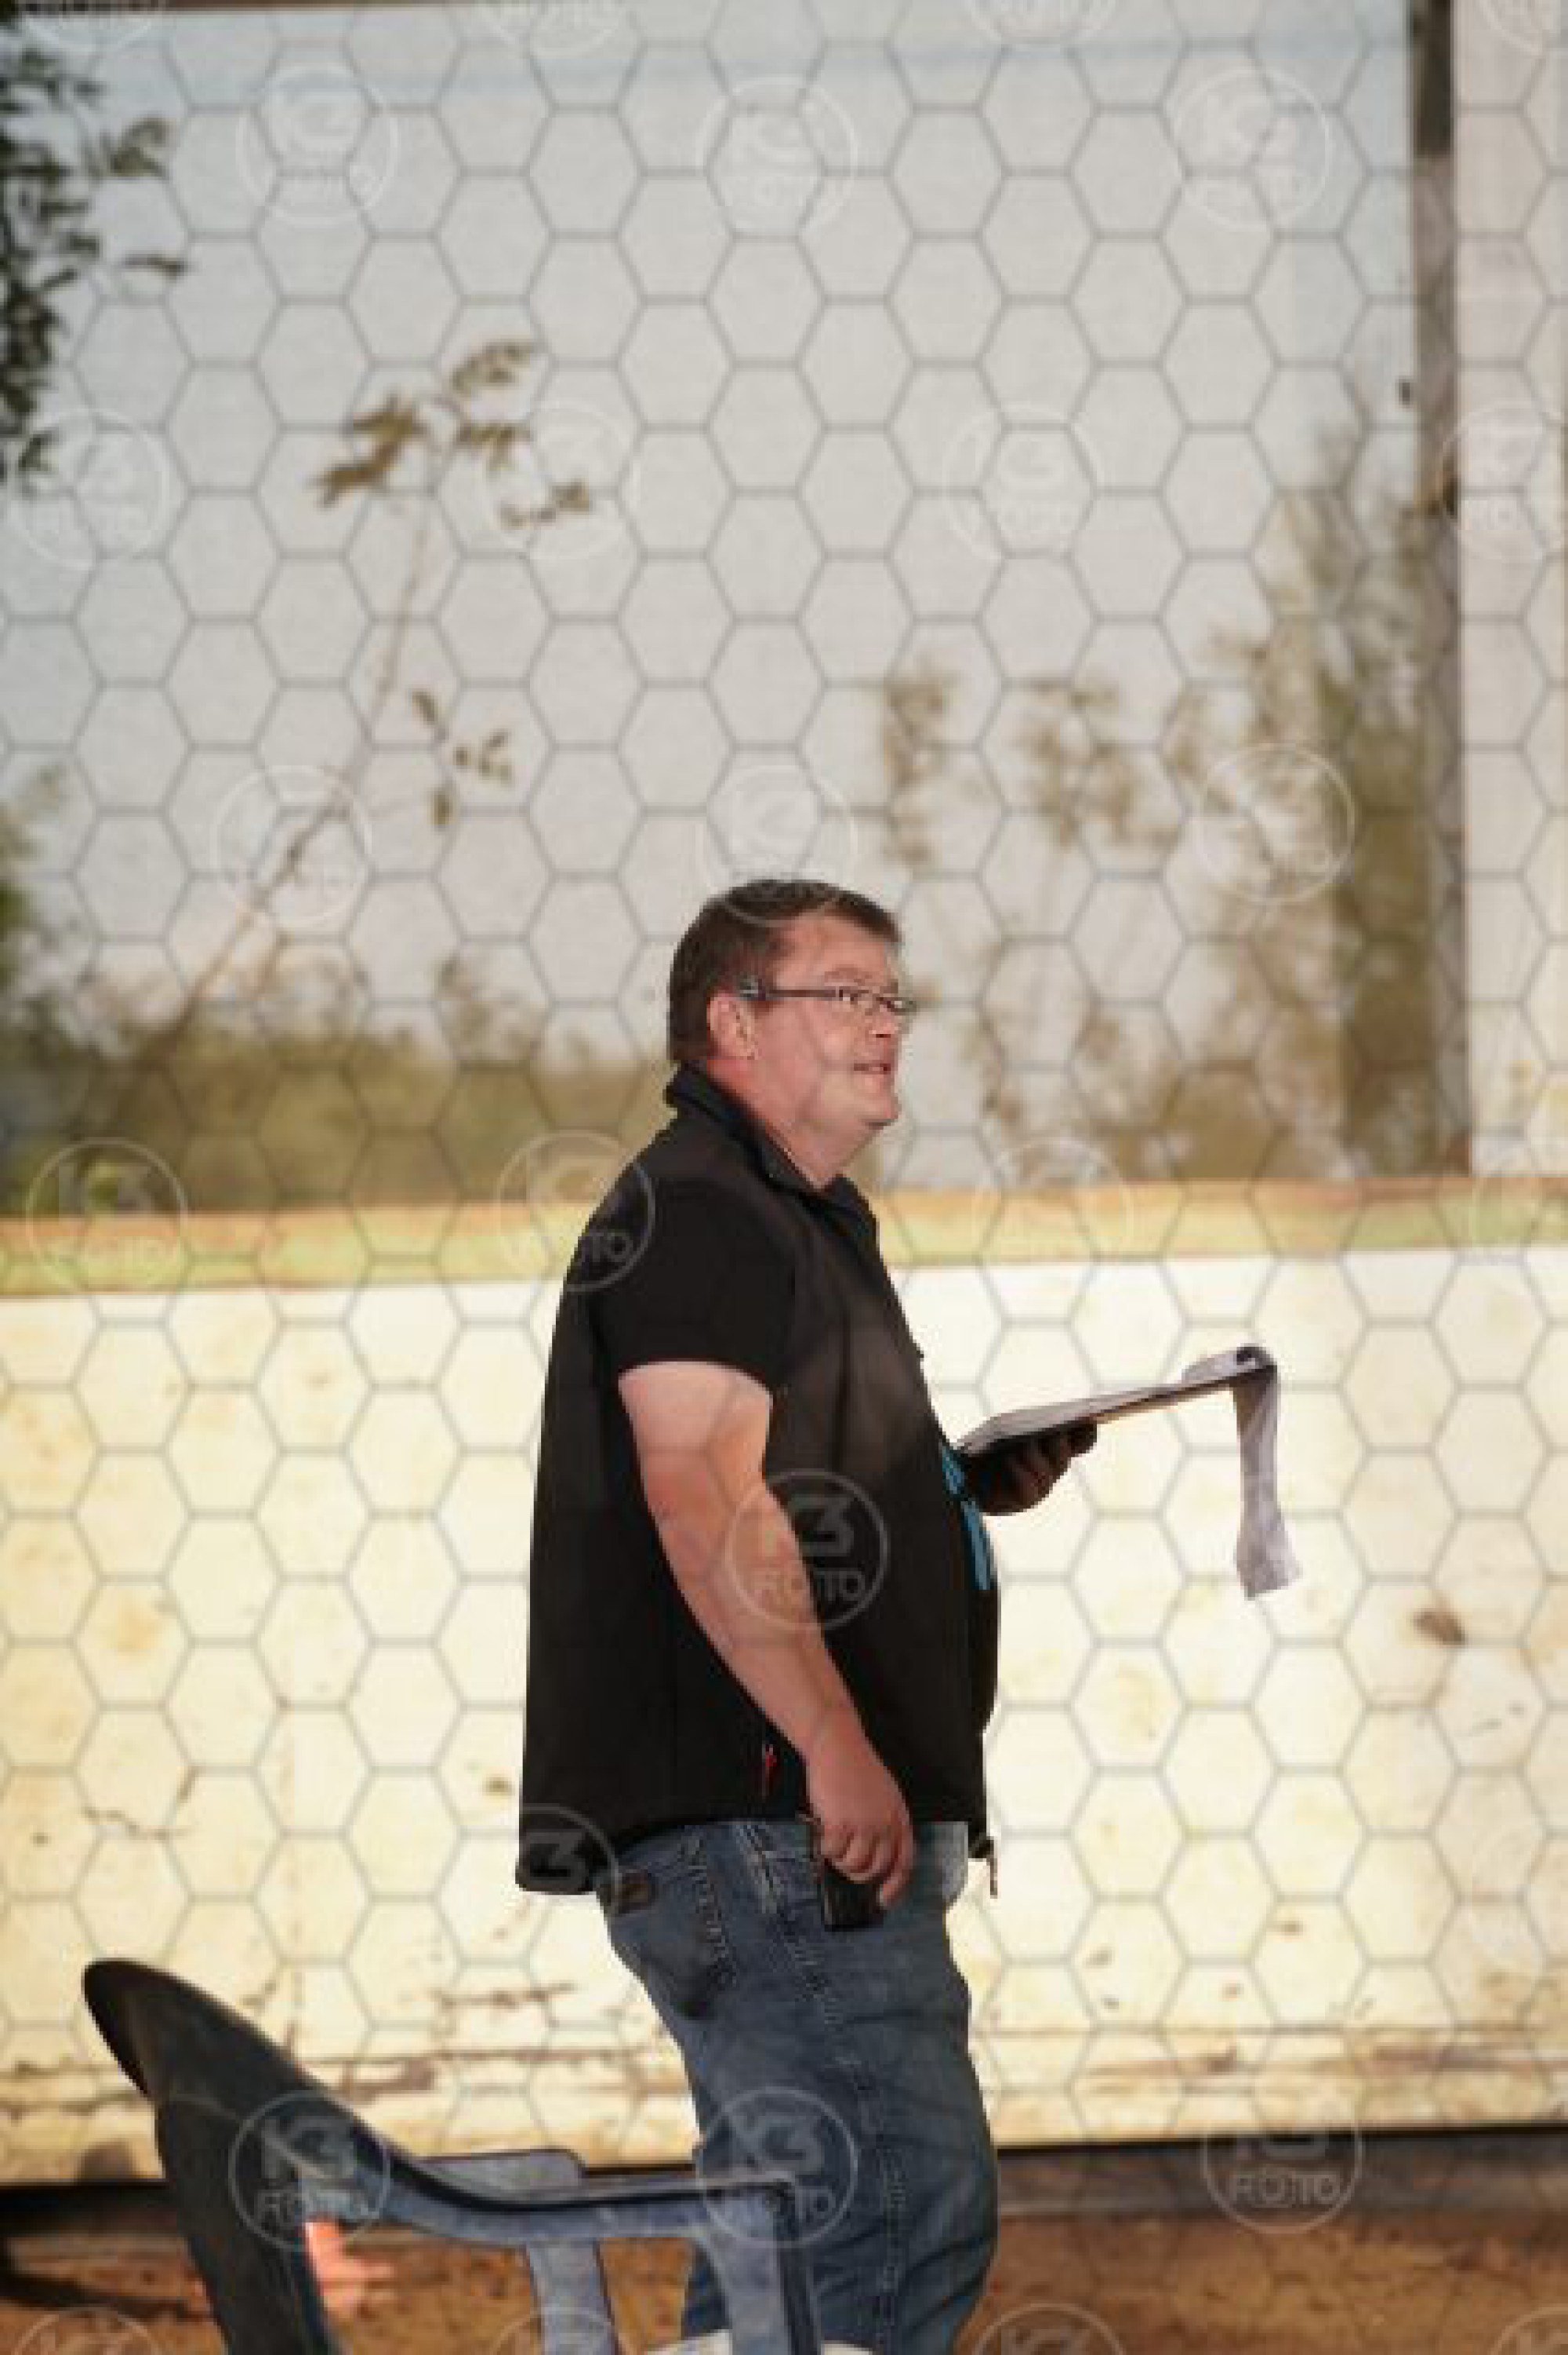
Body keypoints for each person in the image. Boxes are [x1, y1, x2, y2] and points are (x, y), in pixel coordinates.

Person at [516, 877, 1094, 2354]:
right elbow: (704, 1489)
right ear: (735, 1020)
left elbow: (768, 1474)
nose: (885, 1023)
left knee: (788, 2251)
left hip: (771, 1838)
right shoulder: (706, 1206)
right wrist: (834, 1743)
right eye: (846, 994)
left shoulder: (788, 1214)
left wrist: (953, 1489)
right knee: (893, 2209)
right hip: (772, 1830)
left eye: (893, 997)